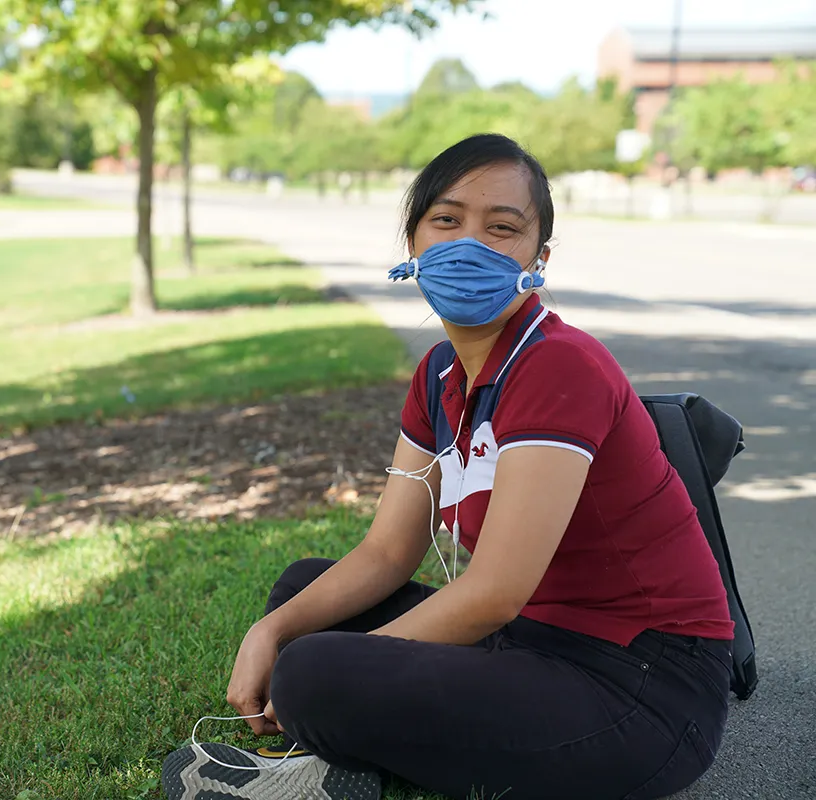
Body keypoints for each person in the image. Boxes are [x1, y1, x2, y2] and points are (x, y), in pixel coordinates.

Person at [161, 134, 735, 800]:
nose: (469, 244)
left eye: (502, 228)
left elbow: (495, 592)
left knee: (315, 672)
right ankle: (356, 750)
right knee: (302, 596)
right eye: (446, 219)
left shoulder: (558, 365)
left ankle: (336, 756)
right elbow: (386, 552)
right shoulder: (439, 374)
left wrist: (354, 663)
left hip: (641, 690)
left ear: (538, 259)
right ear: (412, 245)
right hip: (525, 646)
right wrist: (270, 630)